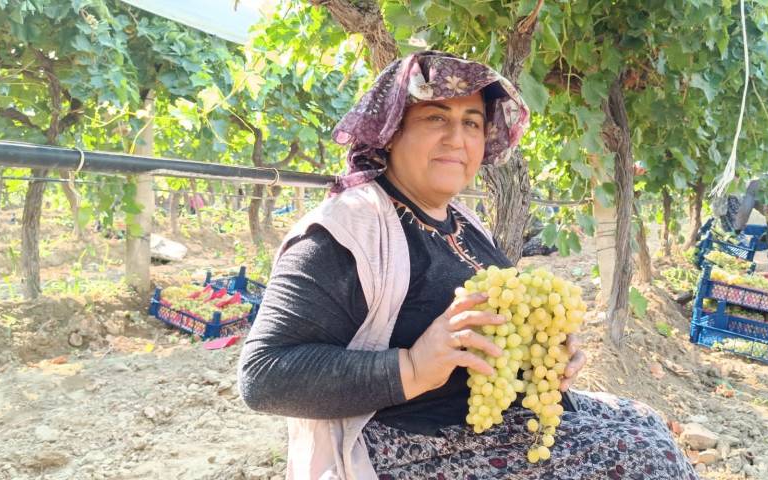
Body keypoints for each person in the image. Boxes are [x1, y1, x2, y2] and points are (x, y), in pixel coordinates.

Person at [237, 51, 699, 480]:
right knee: (648, 457)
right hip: (411, 447)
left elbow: (493, 331)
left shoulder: (463, 222)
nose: (457, 139)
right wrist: (413, 367)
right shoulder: (347, 229)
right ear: (392, 130)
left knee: (648, 423)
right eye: (436, 117)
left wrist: (545, 350)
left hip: (493, 425)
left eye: (472, 123)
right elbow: (263, 376)